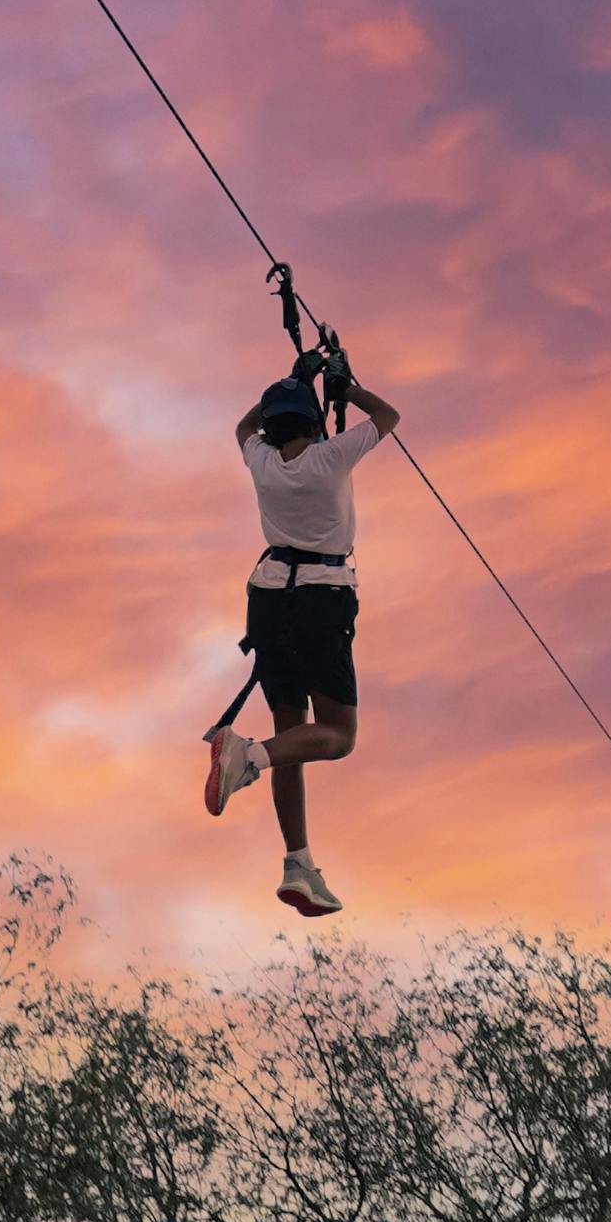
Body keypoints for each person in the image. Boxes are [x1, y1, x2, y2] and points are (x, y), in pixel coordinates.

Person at [203, 341, 396, 915]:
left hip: (267, 596)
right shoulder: (329, 458)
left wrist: (295, 379)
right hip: (321, 597)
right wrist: (344, 386)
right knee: (338, 737)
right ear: (313, 423)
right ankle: (248, 756)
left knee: (295, 734)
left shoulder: (261, 459)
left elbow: (245, 424)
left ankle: (298, 861)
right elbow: (388, 418)